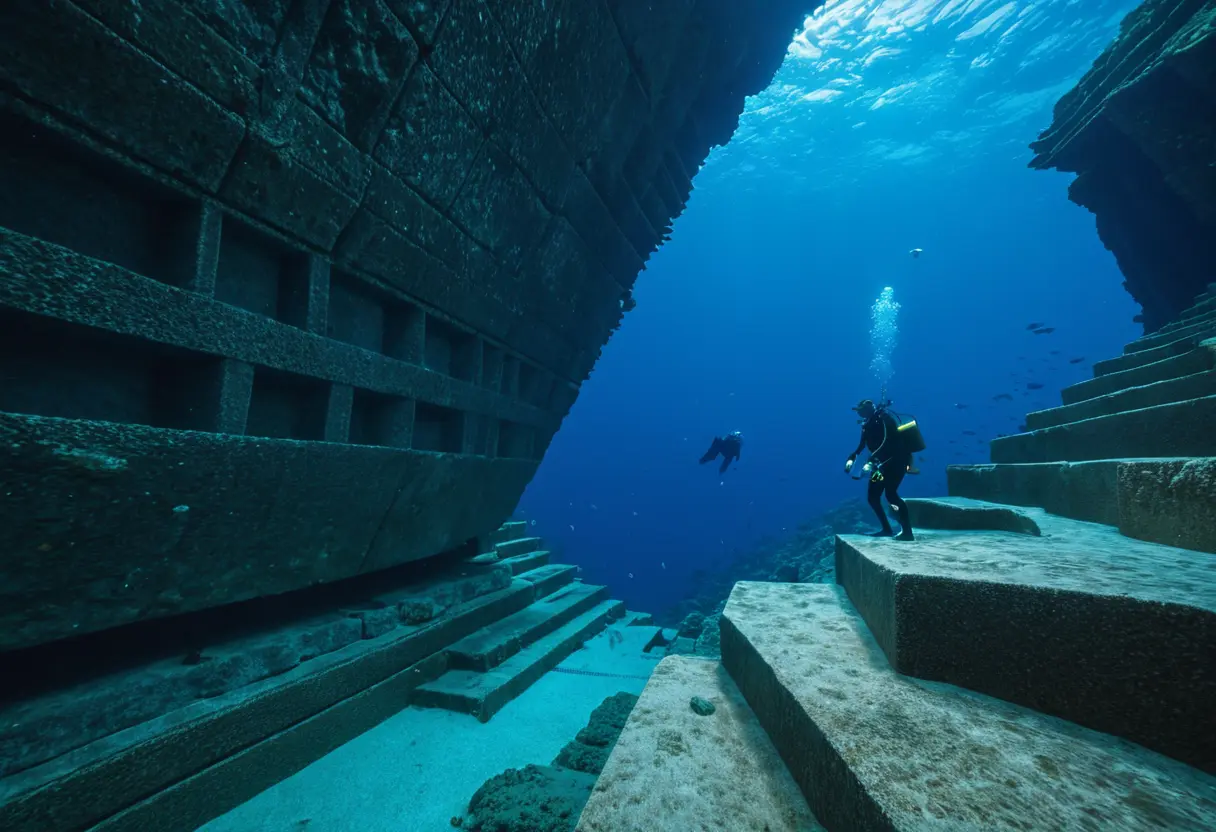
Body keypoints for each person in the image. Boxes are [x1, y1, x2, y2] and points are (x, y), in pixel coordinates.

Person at [845, 400, 914, 540]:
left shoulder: (884, 421)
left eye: (861, 410)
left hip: (896, 463)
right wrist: (852, 458)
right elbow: (862, 445)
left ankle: (907, 532)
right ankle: (887, 529)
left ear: (869, 409)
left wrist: (871, 459)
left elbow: (888, 442)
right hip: (879, 466)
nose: (858, 413)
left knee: (891, 495)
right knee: (873, 497)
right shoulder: (867, 424)